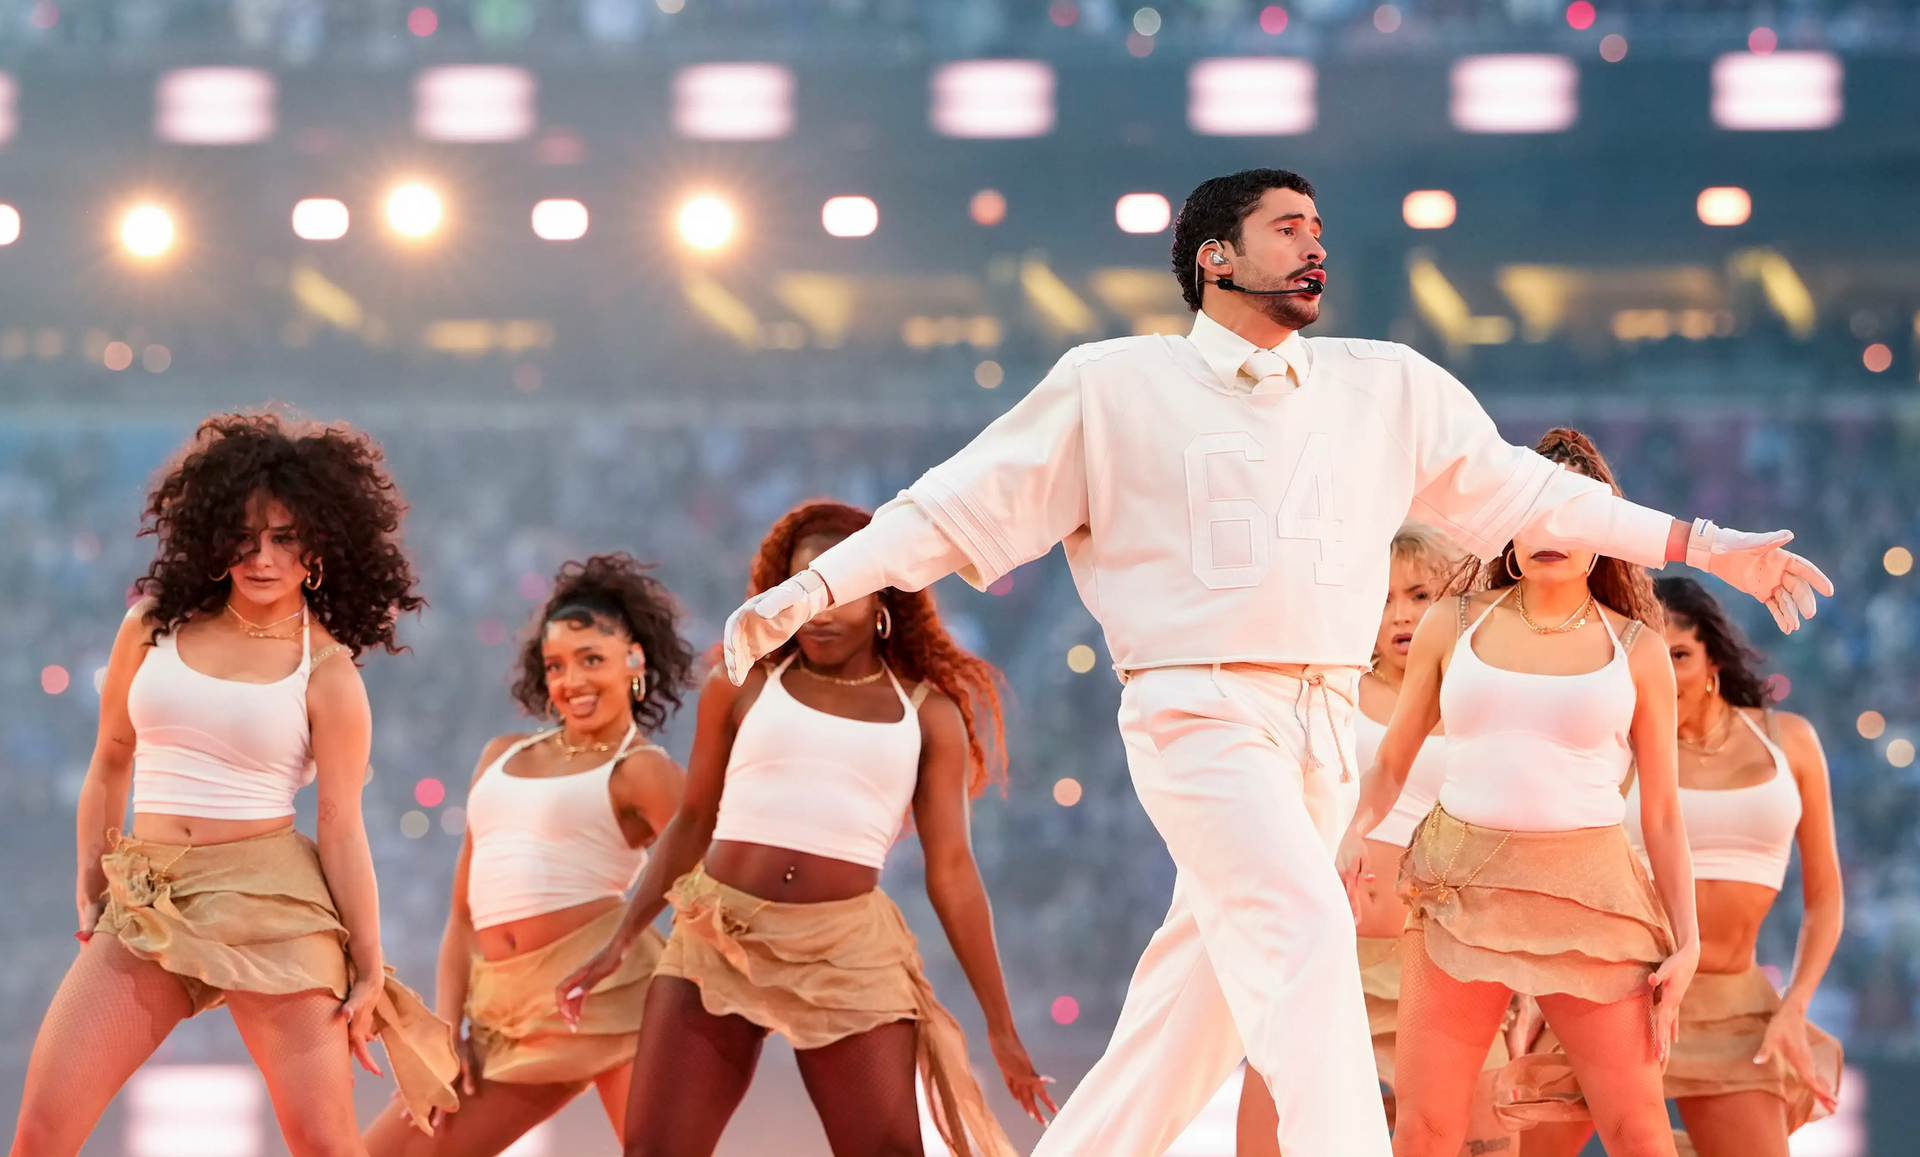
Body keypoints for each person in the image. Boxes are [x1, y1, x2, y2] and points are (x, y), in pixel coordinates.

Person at [716, 169, 1831, 1157]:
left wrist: (1701, 541)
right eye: (1288, 226)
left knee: (1185, 1018)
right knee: (1306, 935)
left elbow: (1530, 490)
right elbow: (955, 508)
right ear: (1215, 257)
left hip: (1323, 721)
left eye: (1319, 226)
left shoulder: (1384, 380)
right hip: (1197, 715)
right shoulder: (1112, 382)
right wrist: (815, 586)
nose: (1315, 244)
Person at [10, 413, 457, 1157]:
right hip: (149, 898)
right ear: (213, 535)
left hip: (274, 903)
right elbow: (110, 760)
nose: (261, 557)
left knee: (325, 1143)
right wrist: (91, 885)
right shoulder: (151, 624)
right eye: (244, 536)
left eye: (285, 537)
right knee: (40, 1135)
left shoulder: (331, 672)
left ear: (319, 547)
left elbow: (342, 825)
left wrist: (370, 963)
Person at [560, 501, 1055, 1157]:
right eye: (802, 588)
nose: (820, 609)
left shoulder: (926, 714)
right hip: (718, 934)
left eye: (840, 588)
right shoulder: (740, 680)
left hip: (846, 952)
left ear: (882, 591)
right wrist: (624, 935)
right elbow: (693, 822)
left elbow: (953, 871)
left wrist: (1000, 1023)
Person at [1335, 429, 1699, 1157]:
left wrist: (1686, 939)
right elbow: (1393, 760)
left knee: (1637, 1130)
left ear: (1605, 531)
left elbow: (1660, 812)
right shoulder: (1452, 623)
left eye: (1572, 513)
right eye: (1532, 511)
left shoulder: (1639, 650)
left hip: (1593, 899)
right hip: (1457, 892)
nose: (1550, 532)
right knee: (1424, 1130)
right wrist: (1353, 828)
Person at [1498, 576, 1844, 1157]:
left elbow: (1826, 899)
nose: (1664, 671)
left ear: (1713, 655)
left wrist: (1797, 1005)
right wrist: (1534, 984)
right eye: (1651, 655)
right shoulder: (1612, 746)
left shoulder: (1790, 742)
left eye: (1678, 655)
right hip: (1616, 998)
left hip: (1734, 1013)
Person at [363, 555, 695, 1157]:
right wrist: (446, 1028)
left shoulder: (643, 769)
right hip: (501, 1018)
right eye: (557, 666)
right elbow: (462, 916)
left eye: (592, 659)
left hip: (611, 1000)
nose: (573, 682)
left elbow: (710, 875)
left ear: (635, 661)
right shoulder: (501, 754)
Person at [1236, 522, 1515, 1157]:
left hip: (1448, 966)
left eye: (1418, 595)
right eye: (1382, 598)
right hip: (1329, 962)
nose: (1401, 615)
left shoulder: (1485, 697)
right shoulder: (1330, 689)